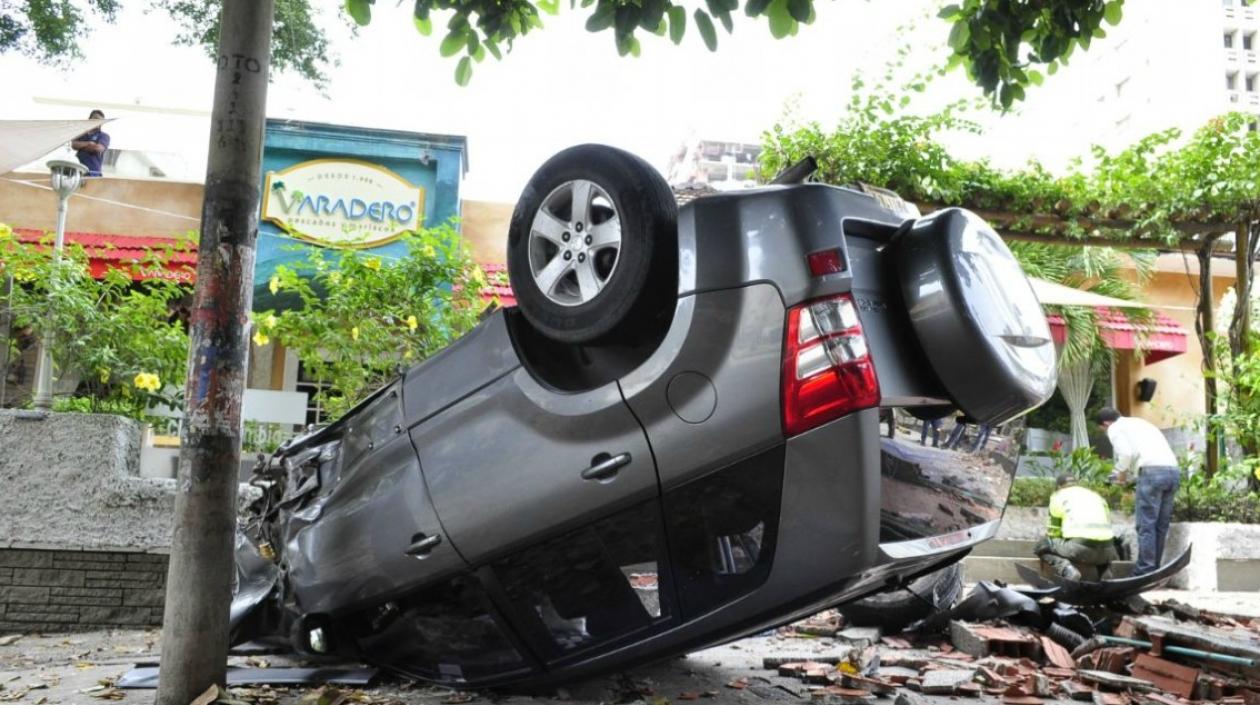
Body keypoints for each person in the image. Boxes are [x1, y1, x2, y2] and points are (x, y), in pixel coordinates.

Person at [1097, 407, 1180, 576]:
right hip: (1173, 471)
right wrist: (1131, 476)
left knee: (1146, 524)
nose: (1106, 432)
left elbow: (1126, 455)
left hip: (1152, 471)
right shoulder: (1139, 423)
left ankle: (1144, 571)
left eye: (1103, 429)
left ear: (1105, 423)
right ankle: (1154, 571)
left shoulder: (1115, 428)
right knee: (1160, 525)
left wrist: (1118, 473)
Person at [1034, 475, 1118, 581]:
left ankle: (1067, 569)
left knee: (1042, 545)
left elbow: (1054, 532)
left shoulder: (1058, 496)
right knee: (1099, 540)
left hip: (1080, 549)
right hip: (1108, 551)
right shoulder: (1096, 496)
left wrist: (1060, 545)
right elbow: (1107, 524)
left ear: (1059, 486)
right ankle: (1105, 571)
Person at [71, 110, 110, 177]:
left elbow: (98, 148)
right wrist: (89, 143)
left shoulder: (103, 136)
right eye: (96, 119)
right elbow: (73, 145)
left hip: (93, 173)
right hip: (78, 171)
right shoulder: (82, 134)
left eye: (100, 121)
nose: (98, 122)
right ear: (89, 119)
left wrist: (81, 146)